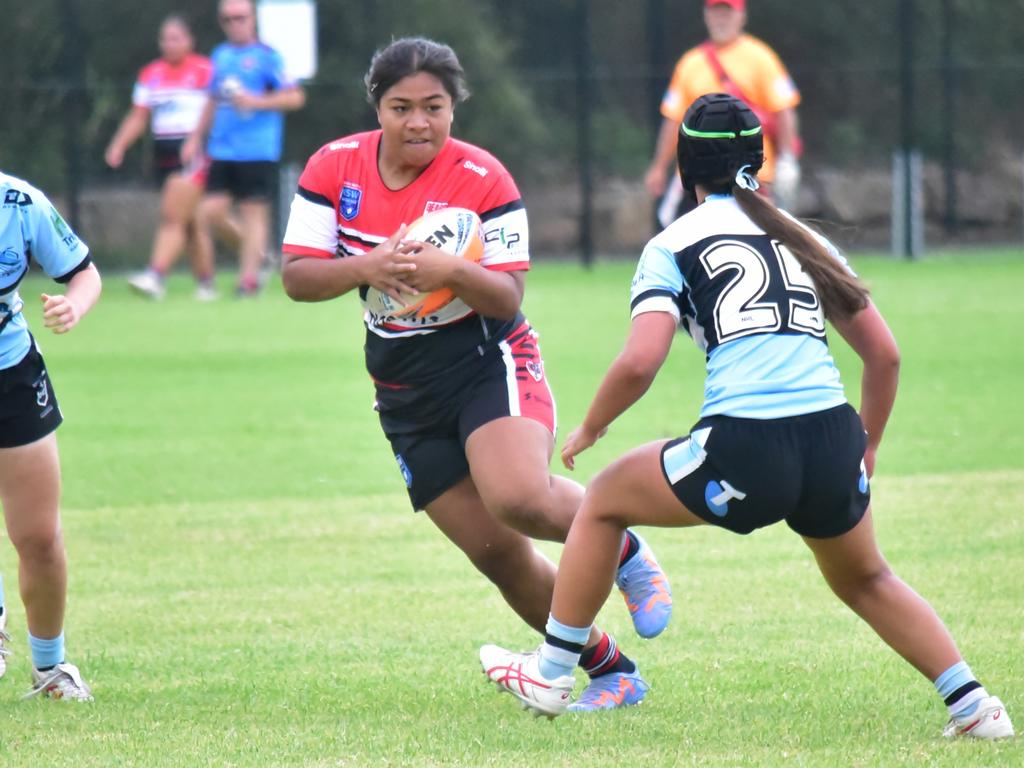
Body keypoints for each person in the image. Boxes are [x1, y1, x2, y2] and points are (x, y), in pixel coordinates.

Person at [481, 93, 1015, 739]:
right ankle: (975, 706)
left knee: (602, 501)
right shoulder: (805, 237)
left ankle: (552, 671)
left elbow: (639, 362)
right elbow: (886, 357)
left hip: (749, 445)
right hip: (831, 436)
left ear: (685, 170)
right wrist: (865, 448)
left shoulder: (672, 243)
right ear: (760, 163)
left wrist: (592, 427)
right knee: (868, 577)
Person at [281, 37, 673, 711]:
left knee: (517, 496)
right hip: (403, 386)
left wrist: (453, 271)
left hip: (486, 358)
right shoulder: (332, 168)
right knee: (497, 554)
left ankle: (626, 550)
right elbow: (297, 277)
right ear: (377, 106)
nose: (417, 122)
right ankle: (613, 672)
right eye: (400, 107)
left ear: (453, 107)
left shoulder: (483, 177)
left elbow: (508, 294)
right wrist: (366, 267)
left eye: (433, 106)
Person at [0, 170, 101, 701]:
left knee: (38, 536)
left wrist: (75, 305)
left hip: (11, 374)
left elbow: (84, 273)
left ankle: (49, 667)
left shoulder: (19, 202)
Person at [105, 15, 235, 301]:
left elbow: (216, 111)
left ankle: (156, 275)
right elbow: (139, 115)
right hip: (163, 154)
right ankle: (206, 284)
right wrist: (119, 144)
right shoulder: (151, 73)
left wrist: (198, 140)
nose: (170, 44)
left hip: (193, 153)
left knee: (172, 216)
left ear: (190, 41)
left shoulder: (205, 70)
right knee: (191, 221)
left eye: (176, 38)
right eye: (165, 38)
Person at [181, 0, 305, 297]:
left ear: (252, 19)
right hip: (222, 149)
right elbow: (212, 99)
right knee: (209, 212)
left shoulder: (267, 57)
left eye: (240, 18)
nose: (235, 24)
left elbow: (295, 97)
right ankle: (260, 258)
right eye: (227, 19)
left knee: (253, 213)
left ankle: (247, 281)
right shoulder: (221, 56)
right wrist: (195, 137)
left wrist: (257, 101)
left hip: (257, 149)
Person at [644, 0, 802, 226]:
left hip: (753, 176)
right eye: (716, 12)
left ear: (741, 16)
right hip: (698, 180)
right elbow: (673, 119)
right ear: (706, 16)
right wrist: (659, 167)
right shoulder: (690, 63)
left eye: (727, 13)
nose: (721, 19)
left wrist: (787, 160)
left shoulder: (762, 57)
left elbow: (784, 110)